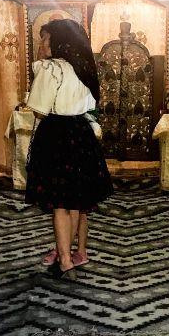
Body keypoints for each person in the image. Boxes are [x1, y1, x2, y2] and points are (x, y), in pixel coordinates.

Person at [25, 19, 113, 280]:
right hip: (81, 134)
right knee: (75, 202)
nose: (42, 43)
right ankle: (68, 255)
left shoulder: (51, 69)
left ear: (59, 41)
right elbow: (90, 103)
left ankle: (64, 261)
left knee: (60, 204)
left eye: (45, 38)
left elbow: (39, 109)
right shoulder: (83, 68)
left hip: (57, 135)